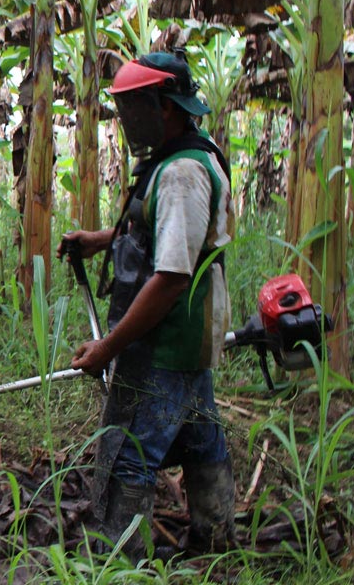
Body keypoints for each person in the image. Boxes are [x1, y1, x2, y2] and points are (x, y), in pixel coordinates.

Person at [59, 51, 236, 558]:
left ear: (167, 107)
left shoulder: (182, 173)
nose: (129, 121)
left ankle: (121, 561)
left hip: (165, 337)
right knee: (201, 438)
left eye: (137, 109)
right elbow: (159, 234)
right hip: (188, 337)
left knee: (127, 453)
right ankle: (216, 539)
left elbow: (171, 277)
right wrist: (99, 239)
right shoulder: (178, 158)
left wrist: (108, 347)